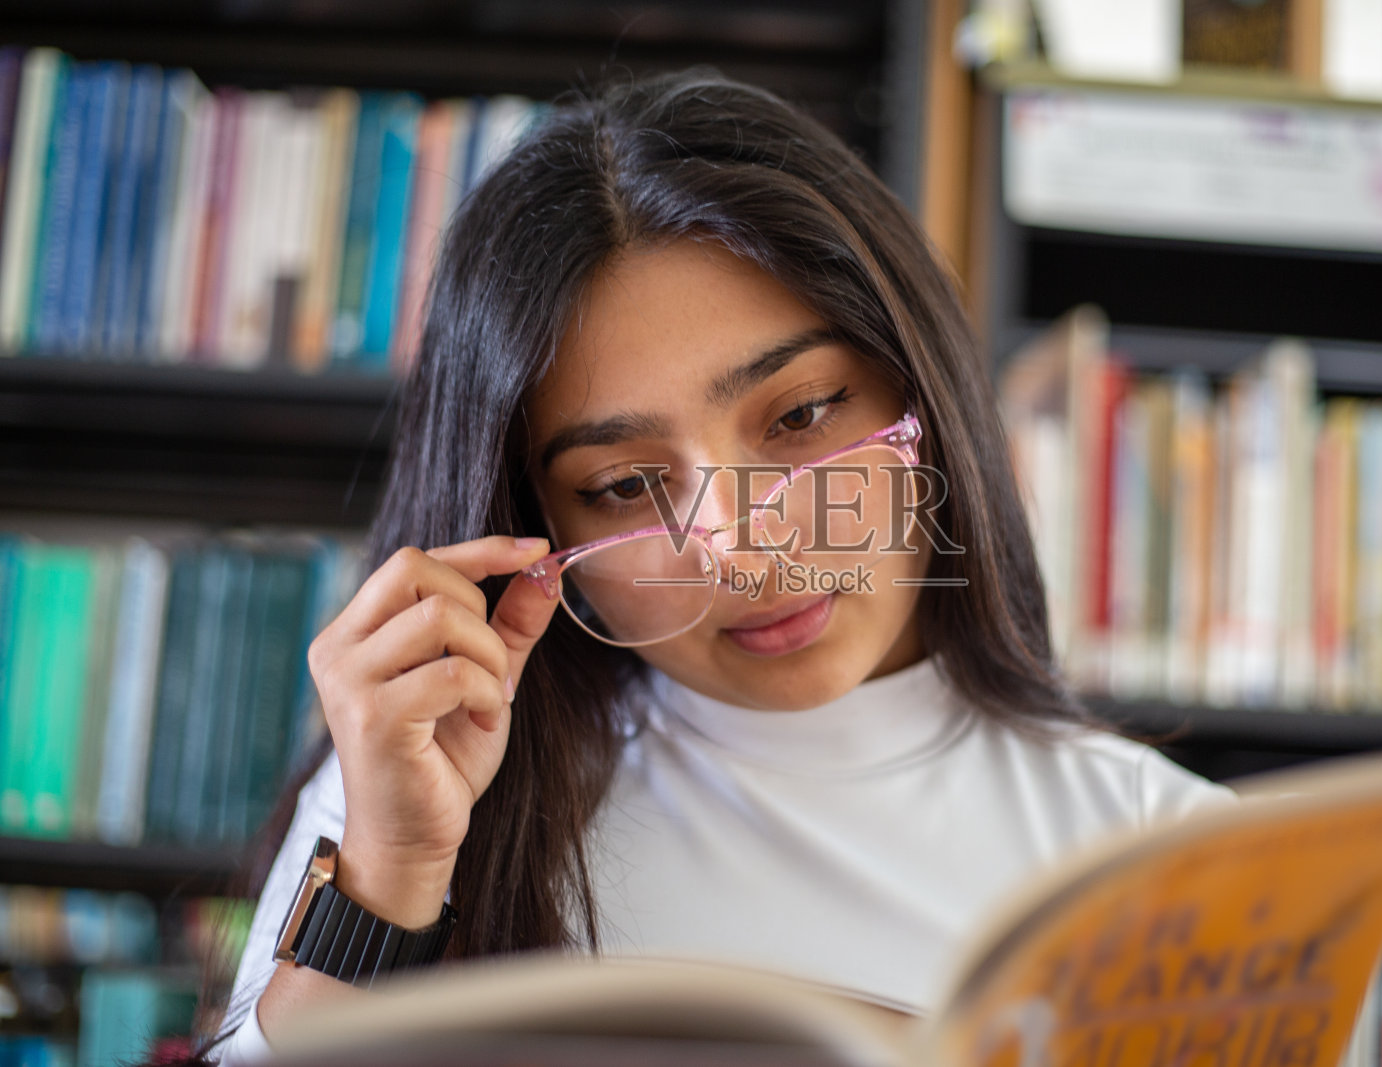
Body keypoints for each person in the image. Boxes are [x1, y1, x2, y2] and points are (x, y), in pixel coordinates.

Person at [197, 66, 1231, 1066]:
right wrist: (392, 875)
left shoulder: (1176, 854)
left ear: (924, 394)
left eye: (799, 415)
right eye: (620, 483)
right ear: (534, 530)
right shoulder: (415, 780)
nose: (740, 547)